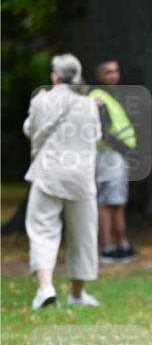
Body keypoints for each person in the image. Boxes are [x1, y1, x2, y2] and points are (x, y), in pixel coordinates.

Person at [23, 54, 102, 310]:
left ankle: (46, 288)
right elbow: (96, 136)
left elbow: (30, 130)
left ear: (55, 76)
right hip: (81, 178)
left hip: (48, 174)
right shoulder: (89, 104)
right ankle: (77, 294)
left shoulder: (40, 101)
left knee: (42, 230)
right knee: (83, 236)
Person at [89, 59, 138, 262]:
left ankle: (122, 245)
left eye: (116, 71)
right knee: (107, 203)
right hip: (109, 157)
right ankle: (108, 248)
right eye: (108, 72)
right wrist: (123, 148)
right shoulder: (97, 96)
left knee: (117, 203)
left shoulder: (110, 96)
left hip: (116, 157)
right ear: (99, 75)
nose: (114, 75)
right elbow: (102, 130)